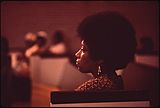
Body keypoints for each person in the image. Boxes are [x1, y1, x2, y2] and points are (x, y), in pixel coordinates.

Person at [75, 11, 137, 91]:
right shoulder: (114, 80)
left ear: (100, 56)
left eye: (83, 49)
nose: (77, 54)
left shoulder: (93, 88)